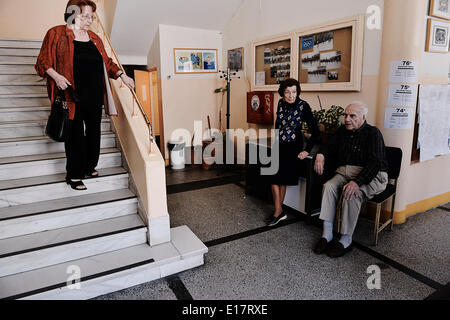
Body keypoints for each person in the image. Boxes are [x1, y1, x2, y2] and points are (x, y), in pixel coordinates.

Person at [35, 0, 135, 190]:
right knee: (75, 136)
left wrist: (123, 76)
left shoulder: (95, 38)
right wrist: (56, 77)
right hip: (71, 95)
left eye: (92, 16)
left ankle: (90, 166)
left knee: (94, 132)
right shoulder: (56, 33)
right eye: (85, 16)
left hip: (95, 94)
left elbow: (108, 63)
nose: (90, 20)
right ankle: (74, 174)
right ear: (72, 14)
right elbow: (42, 62)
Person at [312, 101, 388, 257]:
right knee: (328, 187)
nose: (347, 119)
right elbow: (329, 145)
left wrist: (357, 182)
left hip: (372, 175)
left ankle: (346, 240)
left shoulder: (373, 133)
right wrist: (320, 154)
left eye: (352, 116)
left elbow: (375, 163)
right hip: (346, 172)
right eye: (345, 115)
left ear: (363, 117)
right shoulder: (343, 130)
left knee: (351, 193)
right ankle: (327, 235)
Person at [265, 78, 319, 226]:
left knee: (277, 179)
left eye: (294, 92)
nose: (291, 95)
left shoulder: (303, 106)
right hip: (279, 145)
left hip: (293, 147)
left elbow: (316, 132)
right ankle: (279, 211)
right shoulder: (281, 103)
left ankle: (278, 212)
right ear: (282, 93)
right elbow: (278, 123)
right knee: (277, 178)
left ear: (298, 92)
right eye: (287, 92)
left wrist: (306, 150)